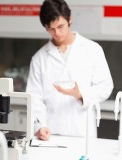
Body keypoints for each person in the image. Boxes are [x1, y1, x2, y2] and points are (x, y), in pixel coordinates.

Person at [26, 0, 113, 141]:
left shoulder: (92, 50)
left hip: (83, 133)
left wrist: (81, 95)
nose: (57, 33)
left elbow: (105, 86)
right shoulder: (39, 58)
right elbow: (34, 98)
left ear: (70, 20)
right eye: (51, 29)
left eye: (61, 26)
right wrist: (40, 126)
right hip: (51, 134)